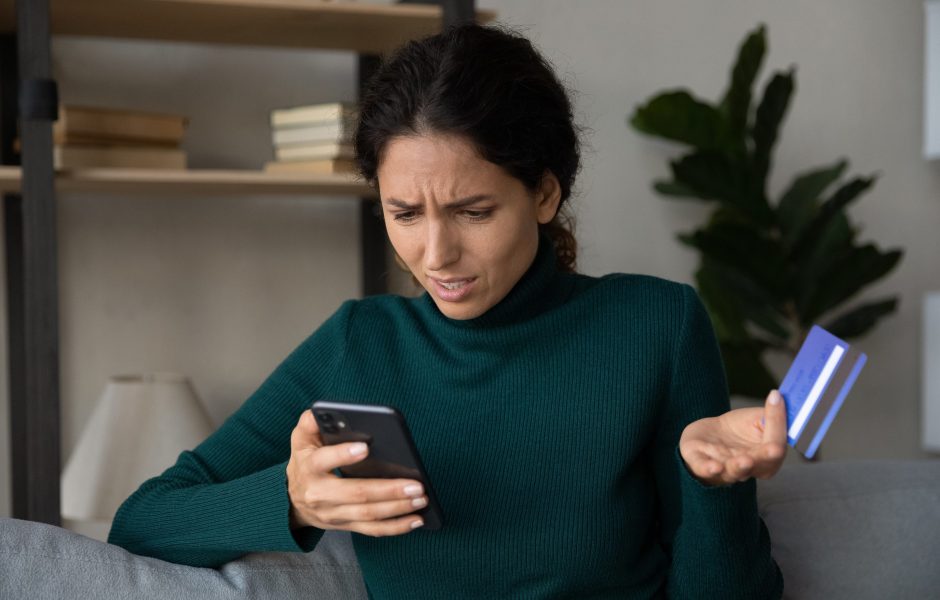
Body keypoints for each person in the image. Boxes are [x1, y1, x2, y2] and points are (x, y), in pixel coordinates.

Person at [108, 23, 785, 599]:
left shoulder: (655, 327)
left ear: (545, 194)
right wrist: (291, 499)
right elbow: (142, 520)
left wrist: (716, 490)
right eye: (404, 214)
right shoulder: (359, 343)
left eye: (474, 212)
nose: (435, 255)